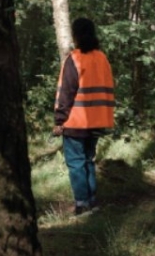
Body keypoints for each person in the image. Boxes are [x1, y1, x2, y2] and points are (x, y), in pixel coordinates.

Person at [53, 17, 114, 216]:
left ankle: (82, 204)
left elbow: (66, 92)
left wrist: (60, 120)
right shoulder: (102, 58)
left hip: (75, 122)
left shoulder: (75, 58)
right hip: (97, 121)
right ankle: (92, 201)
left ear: (76, 35)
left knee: (77, 162)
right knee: (88, 160)